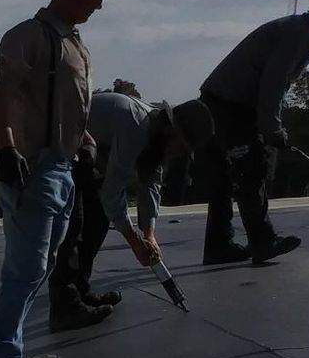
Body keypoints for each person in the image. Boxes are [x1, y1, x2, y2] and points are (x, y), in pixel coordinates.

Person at [0, 0, 116, 358]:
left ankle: (10, 356)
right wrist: (6, 148)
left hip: (61, 168)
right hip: (34, 170)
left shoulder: (74, 44)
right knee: (24, 270)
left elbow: (68, 107)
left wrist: (87, 142)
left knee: (40, 268)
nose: (98, 6)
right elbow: (4, 94)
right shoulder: (29, 37)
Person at [198, 0, 309, 266]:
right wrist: (272, 131)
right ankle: (263, 241)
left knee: (223, 179)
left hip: (215, 103)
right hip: (231, 108)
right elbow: (273, 84)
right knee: (251, 169)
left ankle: (219, 246)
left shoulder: (302, 31)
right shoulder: (300, 33)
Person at [49, 92, 215, 308]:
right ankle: (64, 305)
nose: (177, 154)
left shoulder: (156, 139)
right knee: (75, 224)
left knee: (97, 222)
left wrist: (149, 235)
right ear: (170, 130)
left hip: (87, 155)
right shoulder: (136, 127)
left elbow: (152, 182)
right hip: (59, 144)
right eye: (180, 146)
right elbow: (112, 192)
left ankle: (80, 290)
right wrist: (134, 240)